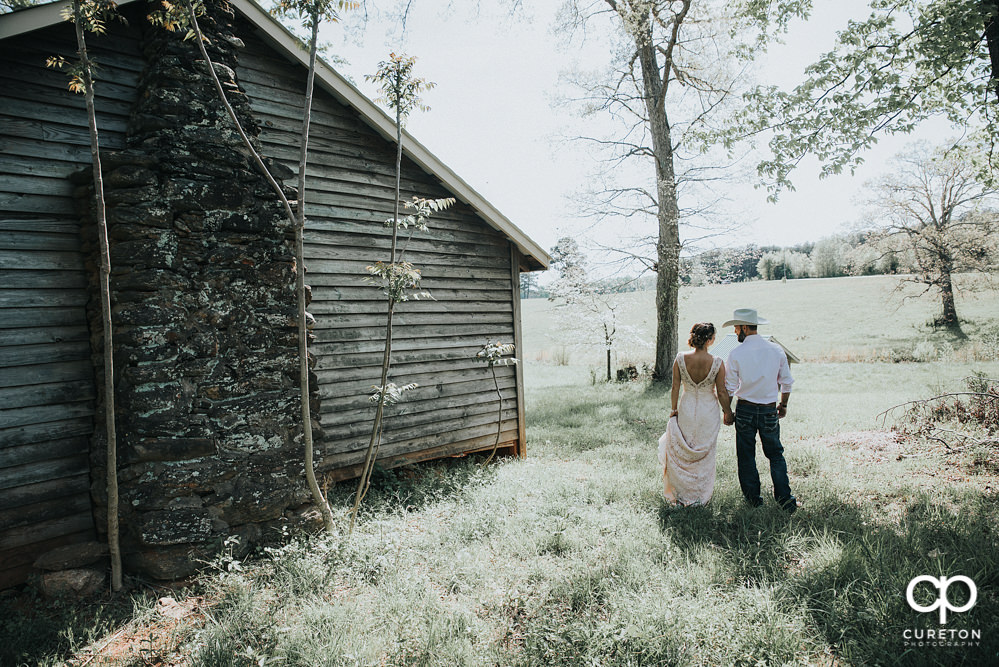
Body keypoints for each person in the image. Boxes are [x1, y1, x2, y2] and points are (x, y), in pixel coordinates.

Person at [721, 308, 799, 513]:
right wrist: (784, 405)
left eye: (737, 328)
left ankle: (753, 500)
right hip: (769, 410)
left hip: (745, 409)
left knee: (746, 456)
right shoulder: (776, 350)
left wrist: (727, 411)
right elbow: (787, 383)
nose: (736, 332)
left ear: (745, 328)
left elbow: (729, 387)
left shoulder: (736, 353)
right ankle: (785, 500)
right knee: (776, 454)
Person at [657, 322, 733, 505]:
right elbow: (722, 392)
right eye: (713, 336)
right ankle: (700, 495)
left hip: (687, 408)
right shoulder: (717, 362)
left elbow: (675, 387)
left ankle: (682, 494)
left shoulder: (681, 358)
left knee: (685, 450)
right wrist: (728, 412)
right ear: (709, 339)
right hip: (708, 411)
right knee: (704, 452)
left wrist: (673, 409)